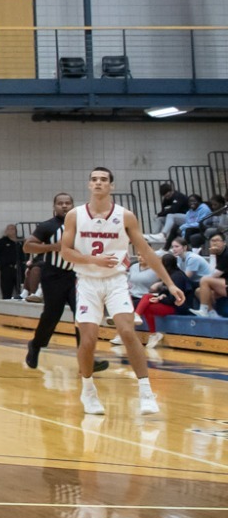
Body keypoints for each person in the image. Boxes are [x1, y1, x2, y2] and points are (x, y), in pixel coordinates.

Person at [59, 165, 181, 417]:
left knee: (127, 331)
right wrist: (95, 261)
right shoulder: (75, 215)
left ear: (111, 185)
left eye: (103, 179)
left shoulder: (125, 216)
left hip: (116, 280)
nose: (98, 183)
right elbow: (65, 252)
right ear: (89, 184)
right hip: (87, 281)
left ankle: (146, 391)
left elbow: (146, 251)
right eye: (94, 179)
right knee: (89, 338)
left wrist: (170, 283)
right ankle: (88, 389)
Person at [21, 191, 105, 374]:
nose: (64, 206)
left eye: (68, 203)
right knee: (52, 315)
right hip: (53, 275)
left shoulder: (83, 226)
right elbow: (27, 246)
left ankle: (86, 359)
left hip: (77, 276)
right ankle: (35, 345)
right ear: (54, 206)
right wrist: (53, 247)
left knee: (82, 316)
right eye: (61, 203)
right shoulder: (47, 226)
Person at [0, 222, 25, 300]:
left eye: (13, 229)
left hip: (20, 270)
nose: (11, 231)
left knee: (22, 292)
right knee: (6, 291)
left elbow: (27, 253)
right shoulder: (2, 242)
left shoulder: (21, 241)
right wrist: (1, 266)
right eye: (9, 229)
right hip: (7, 270)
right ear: (6, 231)